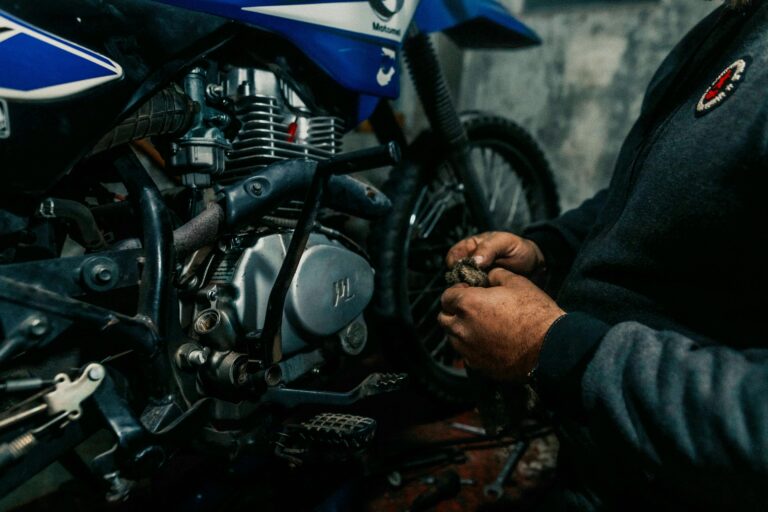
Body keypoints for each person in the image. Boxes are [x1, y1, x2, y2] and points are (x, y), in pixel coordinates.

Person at [438, 0, 768, 509]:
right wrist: (546, 249)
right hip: (603, 459)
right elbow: (646, 195)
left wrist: (555, 350)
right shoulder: (728, 25)